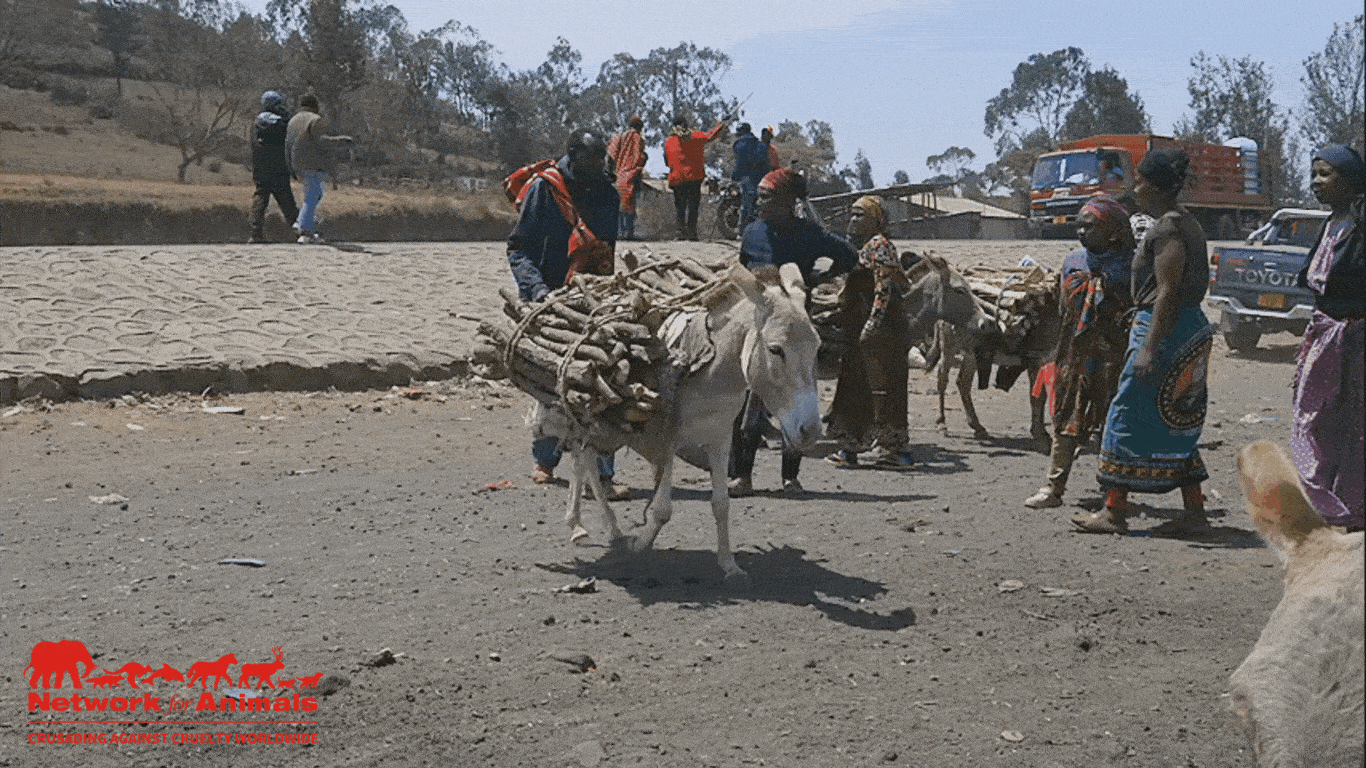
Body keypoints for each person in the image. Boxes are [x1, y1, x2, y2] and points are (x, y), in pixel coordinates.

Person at [1075, 149, 1213, 533]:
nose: (1133, 188)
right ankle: (1195, 514)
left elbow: (1167, 290)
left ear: (1151, 186)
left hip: (1166, 331)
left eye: (1137, 181)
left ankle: (1114, 512)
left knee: (1124, 414)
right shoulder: (1185, 223)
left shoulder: (1168, 227)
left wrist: (1149, 348)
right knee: (1175, 420)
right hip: (1182, 328)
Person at [506, 131, 629, 501]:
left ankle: (601, 473)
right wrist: (540, 292)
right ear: (572, 156)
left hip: (593, 299)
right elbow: (519, 247)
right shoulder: (546, 189)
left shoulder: (607, 193)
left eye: (599, 162)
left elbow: (606, 249)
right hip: (548, 294)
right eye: (588, 162)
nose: (595, 169)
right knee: (550, 381)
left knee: (601, 383)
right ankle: (545, 460)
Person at [729, 168, 859, 496]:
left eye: (767, 196)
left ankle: (790, 477)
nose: (760, 201)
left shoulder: (808, 233)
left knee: (798, 400)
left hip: (797, 331)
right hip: (760, 329)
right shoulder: (753, 232)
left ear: (789, 200)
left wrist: (816, 279)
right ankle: (742, 475)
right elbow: (742, 269)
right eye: (759, 195)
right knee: (750, 402)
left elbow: (849, 256)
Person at [1024, 195, 1134, 508]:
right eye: (1080, 226)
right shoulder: (1072, 261)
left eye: (1091, 227)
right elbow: (1063, 308)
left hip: (1116, 355)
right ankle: (1053, 489)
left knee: (1114, 421)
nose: (1082, 233)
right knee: (1065, 418)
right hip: (1074, 355)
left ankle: (1113, 492)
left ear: (1112, 229)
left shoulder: (1131, 264)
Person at [1291, 144, 1365, 531]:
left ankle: (1351, 508)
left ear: (1351, 181)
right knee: (1313, 418)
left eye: (1325, 175)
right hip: (1325, 336)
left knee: (1354, 422)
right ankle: (1321, 503)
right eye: (1314, 175)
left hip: (1354, 336)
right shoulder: (1330, 224)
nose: (1316, 183)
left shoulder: (1360, 225)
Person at [825, 196, 916, 470]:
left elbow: (884, 289)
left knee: (883, 388)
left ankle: (894, 451)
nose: (853, 220)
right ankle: (851, 447)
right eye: (852, 215)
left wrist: (872, 326)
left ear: (877, 220)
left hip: (881, 332)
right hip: (861, 330)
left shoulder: (880, 246)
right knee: (857, 386)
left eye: (860, 215)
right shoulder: (862, 247)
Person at [286, 94, 353, 244]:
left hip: (296, 162)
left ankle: (307, 229)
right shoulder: (315, 120)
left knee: (312, 194)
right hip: (312, 163)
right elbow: (322, 141)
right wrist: (342, 140)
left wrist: (290, 167)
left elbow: (287, 145)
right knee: (314, 195)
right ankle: (302, 226)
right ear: (315, 105)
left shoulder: (292, 121)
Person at [664, 115, 726, 240]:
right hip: (694, 177)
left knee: (680, 207)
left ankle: (680, 233)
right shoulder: (695, 136)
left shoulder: (669, 141)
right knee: (693, 206)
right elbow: (711, 135)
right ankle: (692, 233)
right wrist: (721, 123)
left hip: (677, 178)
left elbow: (666, 161)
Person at [247, 90, 298, 244]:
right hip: (279, 167)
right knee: (287, 201)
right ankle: (300, 231)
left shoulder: (256, 123)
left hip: (260, 167)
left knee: (261, 198)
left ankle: (256, 232)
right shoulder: (282, 123)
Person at [606, 115, 647, 240]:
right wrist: (645, 157)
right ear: (640, 127)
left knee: (619, 205)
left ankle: (619, 232)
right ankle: (629, 232)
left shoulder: (619, 137)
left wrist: (611, 171)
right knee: (631, 205)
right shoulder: (638, 138)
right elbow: (638, 157)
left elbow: (610, 154)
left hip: (619, 176)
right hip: (633, 175)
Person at [731, 123, 770, 230]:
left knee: (747, 204)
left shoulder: (739, 144)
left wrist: (734, 176)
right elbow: (767, 162)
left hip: (748, 178)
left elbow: (740, 163)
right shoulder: (761, 144)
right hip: (763, 178)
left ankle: (743, 229)